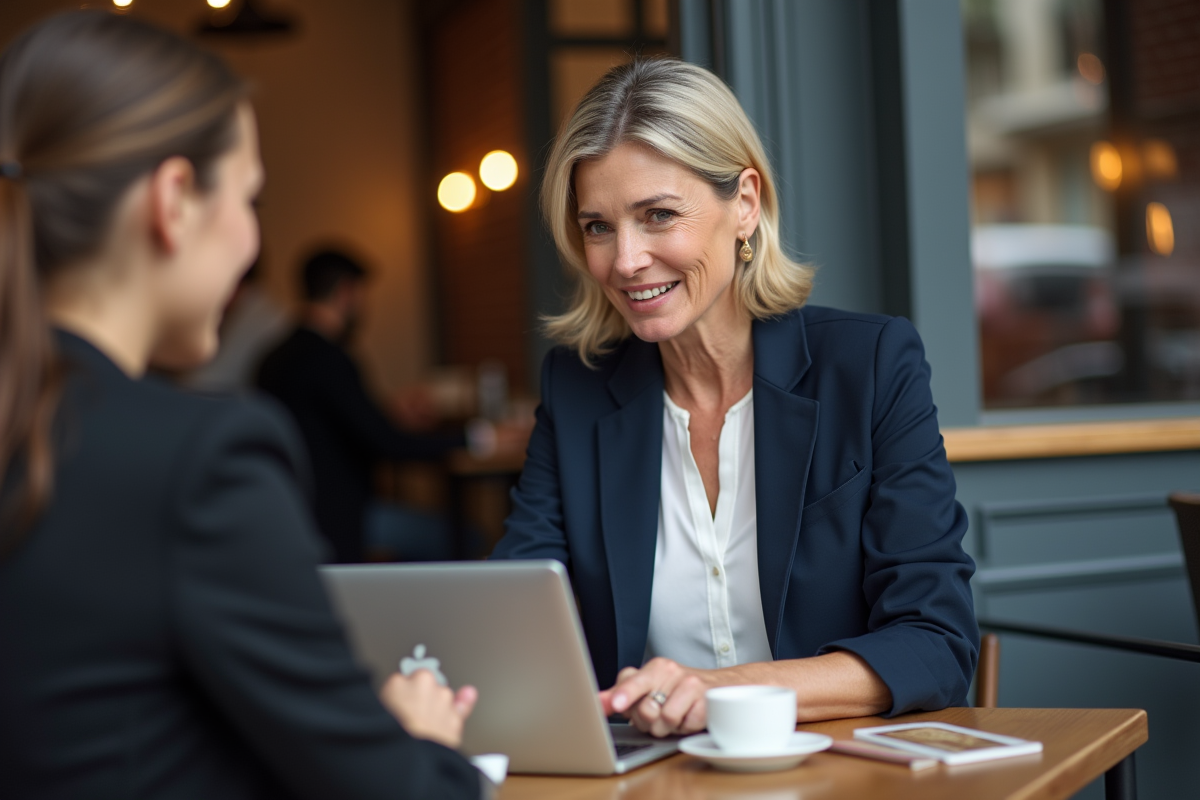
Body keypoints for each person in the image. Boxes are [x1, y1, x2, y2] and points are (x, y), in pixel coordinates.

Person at [0, 12, 486, 798]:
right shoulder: (199, 464)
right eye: (250, 198)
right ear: (173, 201)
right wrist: (419, 743)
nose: (254, 241)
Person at [490, 58, 979, 737]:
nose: (625, 260)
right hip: (653, 774)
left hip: (835, 767)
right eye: (598, 226)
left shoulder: (868, 365)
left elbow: (936, 643)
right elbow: (514, 615)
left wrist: (721, 690)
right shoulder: (576, 389)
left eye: (658, 215)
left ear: (745, 203)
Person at [256, 249, 465, 564]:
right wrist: (476, 439)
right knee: (467, 537)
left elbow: (329, 424)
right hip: (340, 520)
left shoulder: (273, 358)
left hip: (291, 513)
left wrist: (387, 412)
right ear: (346, 292)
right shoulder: (330, 360)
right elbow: (387, 443)